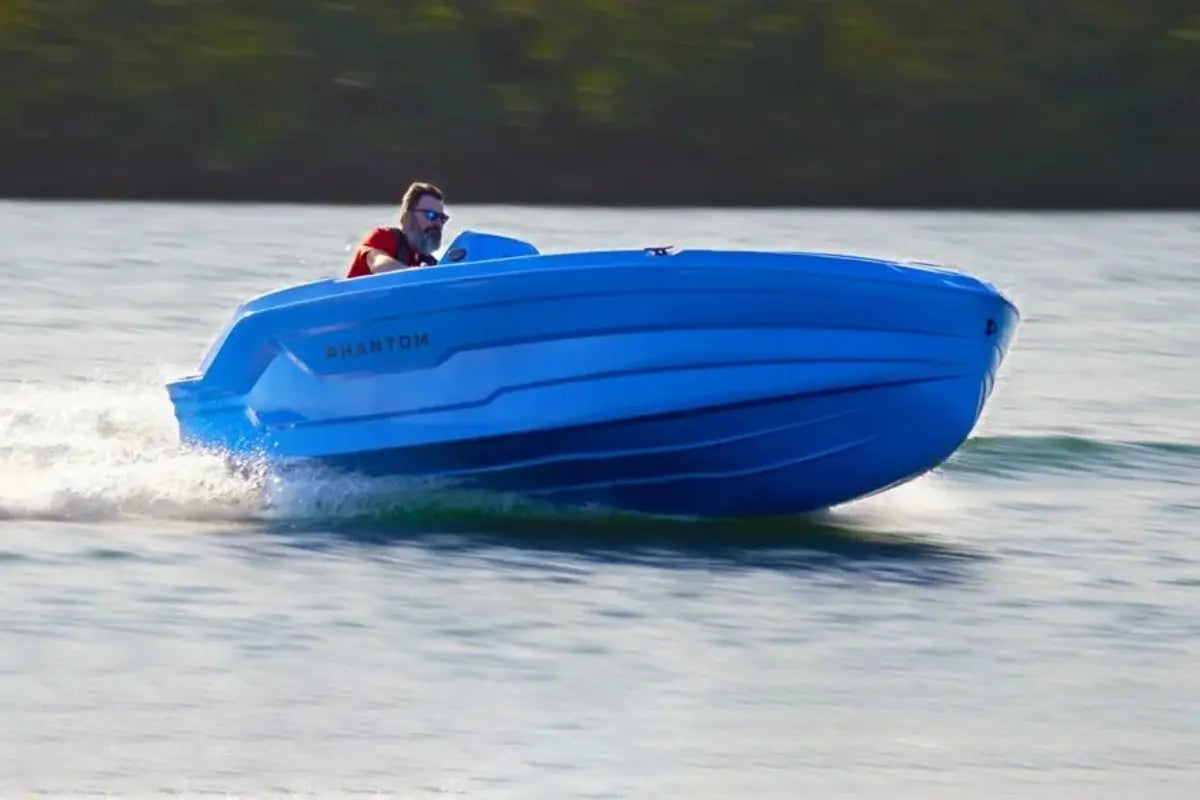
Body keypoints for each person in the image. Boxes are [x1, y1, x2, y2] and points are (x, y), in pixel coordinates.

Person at [346, 181, 448, 278]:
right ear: (408, 217)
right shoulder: (384, 237)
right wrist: (418, 276)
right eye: (431, 215)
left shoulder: (429, 263)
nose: (438, 223)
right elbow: (379, 264)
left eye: (442, 218)